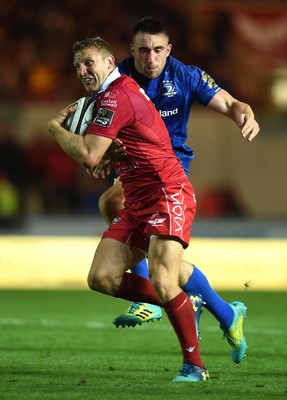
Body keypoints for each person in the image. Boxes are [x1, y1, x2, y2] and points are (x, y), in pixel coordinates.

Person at [96, 17, 260, 364]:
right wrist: (102, 151)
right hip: (134, 168)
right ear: (132, 51)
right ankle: (227, 314)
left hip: (170, 169)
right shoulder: (119, 80)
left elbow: (231, 103)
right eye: (143, 51)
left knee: (114, 200)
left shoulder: (185, 75)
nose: (150, 58)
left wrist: (244, 113)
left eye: (157, 50)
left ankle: (145, 299)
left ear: (168, 50)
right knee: (166, 265)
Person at [47, 36, 209, 382]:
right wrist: (106, 153)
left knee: (165, 281)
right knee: (102, 277)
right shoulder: (108, 96)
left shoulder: (116, 94)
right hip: (136, 199)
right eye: (78, 66)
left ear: (109, 63)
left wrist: (55, 130)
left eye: (89, 62)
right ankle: (185, 304)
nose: (82, 70)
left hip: (167, 192)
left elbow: (89, 154)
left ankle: (195, 367)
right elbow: (103, 151)